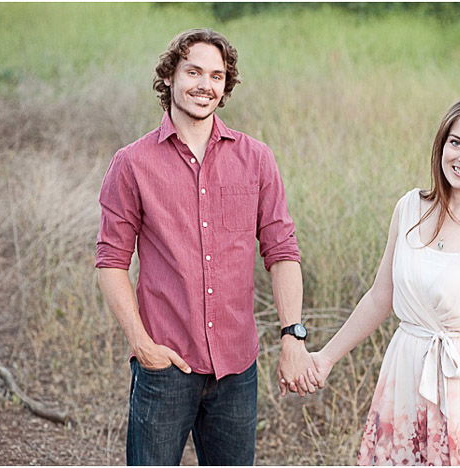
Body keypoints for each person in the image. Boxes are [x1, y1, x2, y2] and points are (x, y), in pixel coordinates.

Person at [95, 28, 315, 466]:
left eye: (216, 76)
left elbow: (282, 251)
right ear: (169, 78)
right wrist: (141, 344)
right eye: (193, 71)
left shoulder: (256, 159)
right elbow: (111, 261)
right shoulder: (132, 163)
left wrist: (293, 335)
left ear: (226, 86)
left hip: (237, 368)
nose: (204, 85)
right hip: (165, 365)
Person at [295, 95, 460, 465]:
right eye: (457, 143)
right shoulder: (410, 208)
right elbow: (380, 297)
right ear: (442, 145)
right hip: (404, 374)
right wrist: (325, 358)